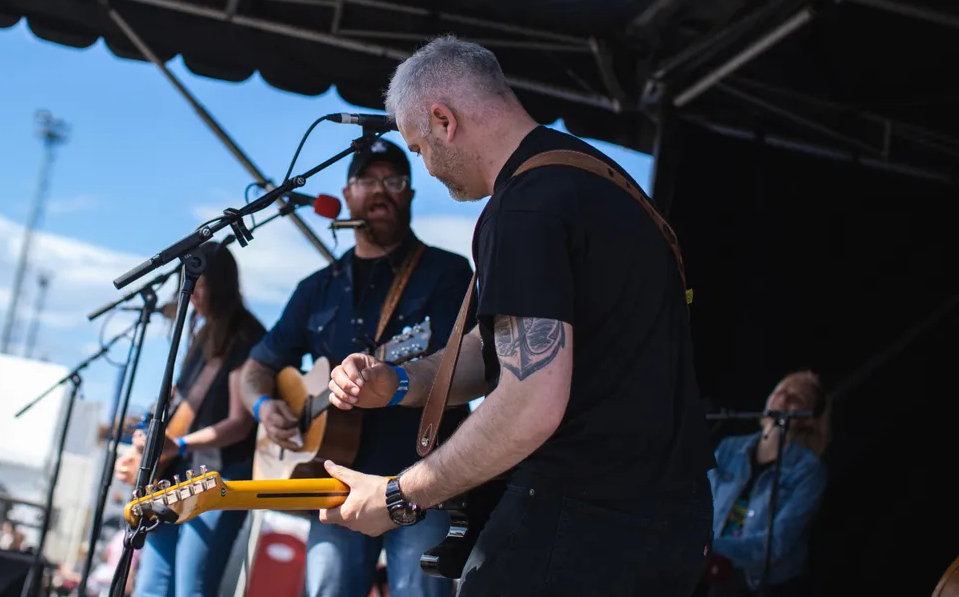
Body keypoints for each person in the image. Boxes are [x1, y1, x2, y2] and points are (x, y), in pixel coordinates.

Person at [320, 35, 719, 596]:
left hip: (581, 512)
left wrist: (396, 496)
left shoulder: (524, 205)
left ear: (442, 120)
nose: (428, 169)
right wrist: (400, 381)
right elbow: (503, 347)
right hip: (672, 514)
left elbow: (530, 403)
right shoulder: (604, 183)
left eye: (418, 148)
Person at [240, 136, 473, 597]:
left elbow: (463, 364)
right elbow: (254, 370)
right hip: (336, 487)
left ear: (409, 194)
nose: (379, 189)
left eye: (393, 179)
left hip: (424, 483)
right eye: (366, 180)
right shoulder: (317, 288)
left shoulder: (447, 273)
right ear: (347, 195)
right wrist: (265, 406)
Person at [124, 242, 266, 597]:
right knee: (152, 585)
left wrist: (181, 443)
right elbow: (178, 401)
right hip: (177, 474)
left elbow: (240, 422)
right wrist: (148, 437)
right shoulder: (202, 335)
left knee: (193, 586)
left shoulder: (247, 336)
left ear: (221, 285)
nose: (194, 293)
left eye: (201, 285)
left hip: (221, 476)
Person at [703, 371, 830, 597]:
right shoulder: (730, 448)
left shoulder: (808, 470)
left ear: (809, 418)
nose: (783, 398)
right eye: (779, 391)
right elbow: (701, 501)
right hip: (712, 570)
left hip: (762, 584)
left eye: (795, 398)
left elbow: (778, 543)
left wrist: (712, 547)